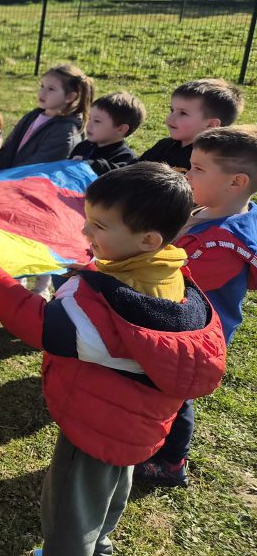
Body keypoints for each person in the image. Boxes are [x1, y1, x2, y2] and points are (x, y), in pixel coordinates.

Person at [0, 163, 227, 556]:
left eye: (100, 227)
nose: (86, 232)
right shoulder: (170, 273)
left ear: (147, 239)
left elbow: (38, 324)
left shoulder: (100, 307)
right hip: (134, 423)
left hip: (95, 424)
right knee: (111, 484)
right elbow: (123, 284)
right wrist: (93, 268)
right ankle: (99, 543)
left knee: (71, 506)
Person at [136, 125, 257, 487]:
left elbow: (180, 280)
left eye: (198, 169)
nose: (187, 175)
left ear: (236, 182)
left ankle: (171, 462)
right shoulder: (209, 211)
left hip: (195, 340)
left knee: (177, 396)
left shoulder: (222, 243)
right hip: (179, 328)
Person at [0, 64, 93, 170]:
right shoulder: (32, 116)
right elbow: (7, 150)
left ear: (70, 97)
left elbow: (37, 168)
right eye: (42, 86)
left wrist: (5, 180)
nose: (42, 92)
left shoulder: (65, 132)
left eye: (51, 89)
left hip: (25, 182)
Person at [137, 78, 244, 173]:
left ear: (211, 124)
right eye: (172, 110)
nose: (169, 119)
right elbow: (133, 170)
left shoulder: (212, 161)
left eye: (183, 113)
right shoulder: (164, 146)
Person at [69, 92, 146, 175]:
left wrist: (89, 165)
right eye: (89, 118)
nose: (89, 124)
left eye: (97, 121)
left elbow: (113, 177)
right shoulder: (82, 146)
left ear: (121, 129)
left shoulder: (125, 157)